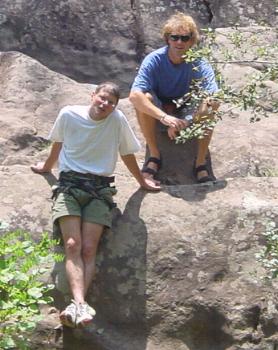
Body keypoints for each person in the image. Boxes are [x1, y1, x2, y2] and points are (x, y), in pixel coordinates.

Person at [31, 82, 160, 328]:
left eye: (111, 102)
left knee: (89, 248)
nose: (105, 105)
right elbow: (58, 142)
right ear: (93, 96)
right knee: (72, 244)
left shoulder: (117, 120)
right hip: (70, 185)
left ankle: (76, 306)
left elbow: (126, 153)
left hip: (99, 189)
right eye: (102, 98)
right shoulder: (69, 114)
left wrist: (141, 180)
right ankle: (80, 304)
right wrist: (47, 168)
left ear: (115, 106)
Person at [129, 12, 220, 183]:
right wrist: (165, 118)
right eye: (175, 37)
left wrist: (186, 120)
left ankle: (200, 162)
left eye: (184, 38)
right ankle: (154, 155)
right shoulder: (154, 59)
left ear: (192, 40)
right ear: (167, 38)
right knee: (144, 98)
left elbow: (213, 97)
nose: (179, 42)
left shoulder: (199, 62)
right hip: (160, 108)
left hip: (188, 107)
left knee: (211, 105)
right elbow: (134, 95)